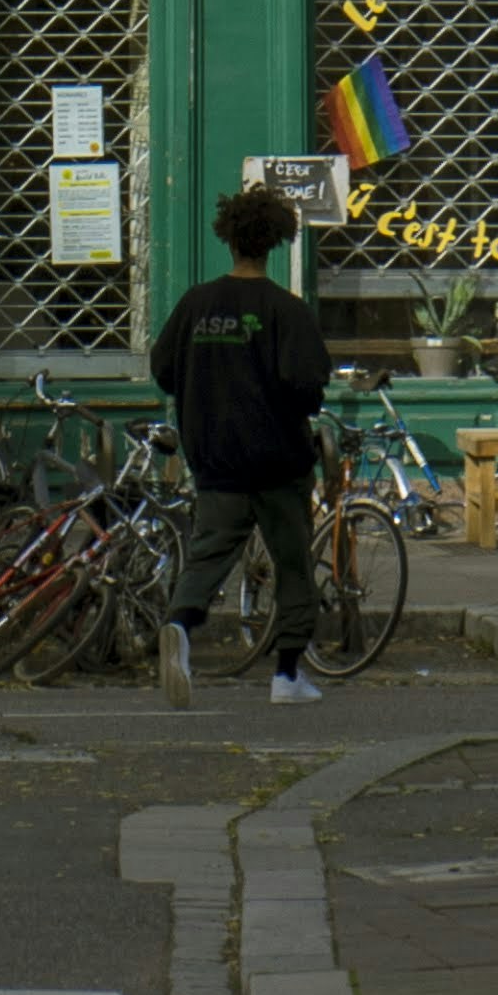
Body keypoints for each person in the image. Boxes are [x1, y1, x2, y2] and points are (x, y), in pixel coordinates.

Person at [149, 180, 331, 707]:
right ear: (274, 241)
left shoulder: (195, 304)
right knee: (292, 564)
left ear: (227, 239)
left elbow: (163, 371)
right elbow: (307, 385)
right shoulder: (285, 309)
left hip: (215, 460)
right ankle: (287, 675)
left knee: (206, 559)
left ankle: (180, 629)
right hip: (278, 463)